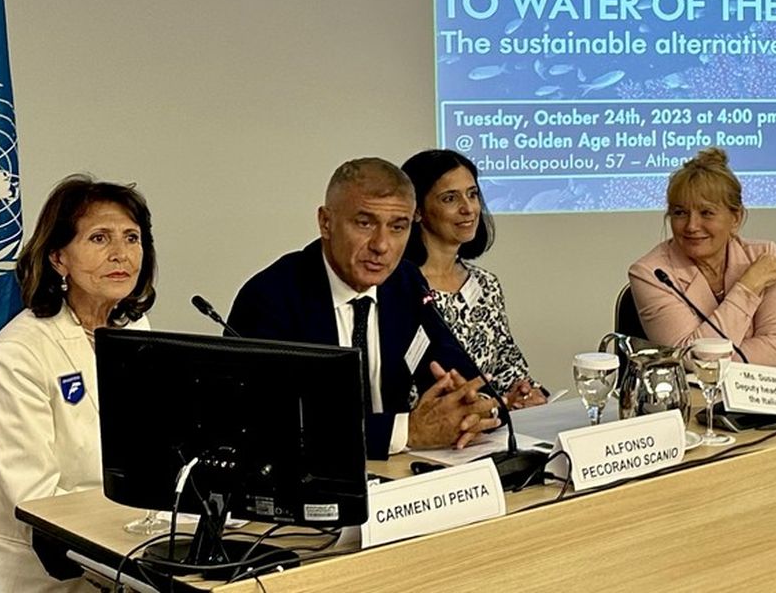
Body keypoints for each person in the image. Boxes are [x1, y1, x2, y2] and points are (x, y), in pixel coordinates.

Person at [227, 157, 499, 459]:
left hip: (397, 472)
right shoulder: (270, 298)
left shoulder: (404, 282)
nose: (381, 245)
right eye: (365, 223)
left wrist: (475, 405)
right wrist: (406, 431)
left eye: (398, 227)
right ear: (326, 222)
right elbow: (267, 424)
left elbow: (453, 367)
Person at [0, 176, 157, 593]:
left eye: (131, 237)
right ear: (58, 258)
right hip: (39, 571)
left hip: (126, 546)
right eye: (99, 238)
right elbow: (39, 505)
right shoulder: (14, 358)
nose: (120, 254)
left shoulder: (134, 328)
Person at [401, 149, 545, 409]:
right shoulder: (398, 288)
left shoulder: (486, 284)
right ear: (417, 210)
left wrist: (524, 392)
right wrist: (494, 404)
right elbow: (404, 389)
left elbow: (507, 363)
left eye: (472, 194)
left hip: (496, 426)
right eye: (450, 198)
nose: (468, 209)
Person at [628, 148, 776, 366]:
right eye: (680, 213)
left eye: (706, 213)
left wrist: (714, 360)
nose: (691, 226)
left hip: (755, 389)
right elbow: (689, 359)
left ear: (735, 218)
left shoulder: (764, 257)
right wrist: (748, 286)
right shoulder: (651, 273)